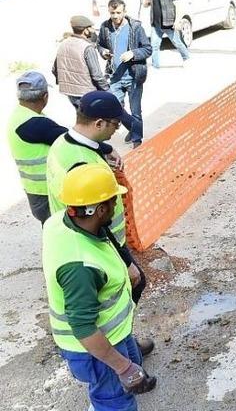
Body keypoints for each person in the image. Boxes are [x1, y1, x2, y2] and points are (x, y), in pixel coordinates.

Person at [42, 164, 157, 410]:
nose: (117, 205)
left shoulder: (57, 223)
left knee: (121, 383)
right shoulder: (80, 267)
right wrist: (123, 367)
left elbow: (103, 236)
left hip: (114, 333)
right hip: (96, 348)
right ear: (100, 208)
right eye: (113, 200)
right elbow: (83, 328)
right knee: (115, 400)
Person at [45, 92, 154, 344]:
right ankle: (117, 342)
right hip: (97, 241)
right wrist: (124, 259)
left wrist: (105, 148)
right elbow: (95, 217)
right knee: (130, 284)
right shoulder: (82, 164)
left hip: (78, 233)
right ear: (99, 124)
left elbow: (86, 143)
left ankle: (119, 339)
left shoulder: (63, 142)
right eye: (115, 124)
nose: (117, 130)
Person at [6, 71, 68, 224]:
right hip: (47, 191)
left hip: (35, 190)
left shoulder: (18, 116)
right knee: (60, 232)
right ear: (45, 96)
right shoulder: (34, 123)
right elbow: (74, 139)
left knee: (52, 230)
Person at [98, 0, 151, 148]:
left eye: (118, 13)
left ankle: (137, 141)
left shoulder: (135, 28)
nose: (115, 16)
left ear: (124, 12)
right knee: (114, 108)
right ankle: (133, 129)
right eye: (112, 13)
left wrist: (133, 53)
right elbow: (99, 44)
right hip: (115, 77)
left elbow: (148, 49)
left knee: (135, 111)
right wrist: (104, 52)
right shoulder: (105, 27)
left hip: (133, 76)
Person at [52, 15, 110, 107]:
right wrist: (108, 90)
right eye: (90, 27)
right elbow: (97, 75)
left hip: (69, 92)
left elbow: (55, 69)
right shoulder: (87, 47)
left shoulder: (63, 44)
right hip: (87, 92)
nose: (93, 30)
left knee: (81, 118)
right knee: (93, 119)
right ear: (85, 30)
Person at [143, 0, 190, 68]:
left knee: (177, 43)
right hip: (155, 25)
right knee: (154, 46)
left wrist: (177, 22)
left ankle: (186, 58)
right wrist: (146, 1)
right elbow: (145, 5)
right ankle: (156, 66)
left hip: (168, 24)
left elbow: (178, 6)